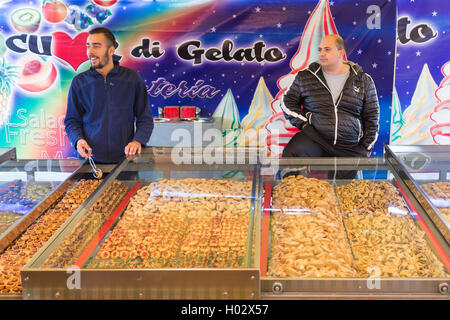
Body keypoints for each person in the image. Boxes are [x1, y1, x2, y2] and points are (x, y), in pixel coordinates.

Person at [281, 34, 379, 160]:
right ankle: (290, 180)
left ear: (341, 53)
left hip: (349, 144)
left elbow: (372, 116)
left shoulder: (363, 79)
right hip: (315, 139)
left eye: (327, 49)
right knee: (292, 153)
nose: (321, 53)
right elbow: (286, 102)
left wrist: (366, 147)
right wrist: (304, 124)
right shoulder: (305, 76)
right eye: (320, 49)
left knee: (342, 180)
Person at [64, 27, 154, 164]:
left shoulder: (131, 79)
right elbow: (72, 120)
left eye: (96, 46)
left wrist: (138, 141)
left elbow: (145, 118)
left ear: (111, 50)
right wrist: (78, 140)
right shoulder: (79, 82)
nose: (90, 52)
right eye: (88, 46)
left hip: (124, 162)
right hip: (90, 162)